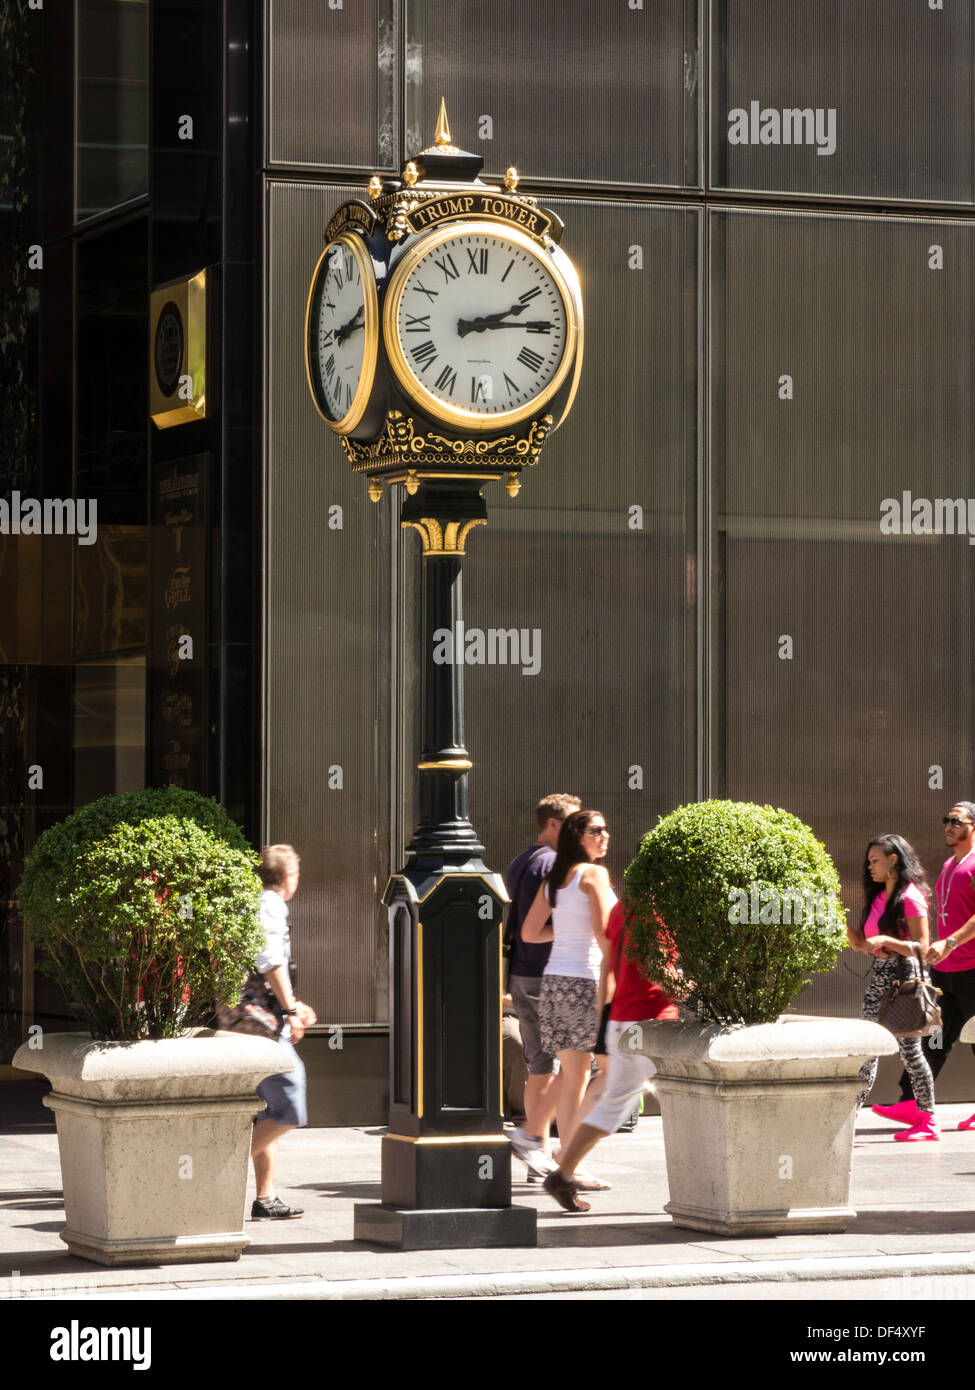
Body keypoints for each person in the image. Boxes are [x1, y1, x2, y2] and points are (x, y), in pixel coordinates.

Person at [543, 897, 678, 1212]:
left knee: (615, 1102)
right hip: (650, 1022)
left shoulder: (623, 909)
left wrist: (604, 1019)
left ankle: (563, 1172)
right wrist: (693, 985)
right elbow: (659, 970)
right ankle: (709, 1183)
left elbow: (608, 965)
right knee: (688, 1096)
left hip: (623, 1018)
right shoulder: (654, 912)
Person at [521, 809, 617, 1170]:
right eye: (596, 830)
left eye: (606, 830)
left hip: (553, 982)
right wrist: (612, 981)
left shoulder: (555, 880)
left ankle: (556, 1154)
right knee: (587, 1076)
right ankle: (567, 1164)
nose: (604, 836)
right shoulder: (593, 873)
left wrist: (563, 935)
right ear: (578, 836)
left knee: (572, 1075)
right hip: (584, 981)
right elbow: (605, 934)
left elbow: (529, 933)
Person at [877, 804, 975, 1131]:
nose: (948, 825)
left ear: (972, 826)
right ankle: (911, 1102)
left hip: (972, 968)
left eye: (956, 821)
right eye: (945, 820)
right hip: (947, 971)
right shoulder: (949, 864)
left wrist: (950, 943)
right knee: (932, 1034)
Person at [504, 793, 581, 1177]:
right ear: (552, 824)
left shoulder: (523, 861)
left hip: (524, 972)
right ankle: (546, 1148)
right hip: (544, 972)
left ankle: (539, 1152)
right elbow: (537, 926)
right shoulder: (552, 862)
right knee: (560, 1066)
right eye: (571, 824)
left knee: (541, 1064)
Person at [848, 834, 938, 1142]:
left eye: (875, 860)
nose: (870, 866)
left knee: (910, 1052)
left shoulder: (910, 896)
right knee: (867, 1049)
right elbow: (861, 944)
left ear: (893, 860)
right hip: (879, 979)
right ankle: (850, 1118)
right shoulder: (877, 898)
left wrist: (887, 941)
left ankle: (928, 1120)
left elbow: (923, 948)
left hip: (904, 979)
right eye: (868, 861)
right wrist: (840, 919)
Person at [250, 844, 317, 1218]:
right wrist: (290, 1010)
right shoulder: (270, 904)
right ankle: (209, 1169)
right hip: (257, 1022)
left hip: (258, 1016)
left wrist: (293, 1003)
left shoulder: (261, 902)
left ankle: (265, 1198)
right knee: (291, 1100)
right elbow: (270, 961)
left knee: (268, 1110)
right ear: (289, 878)